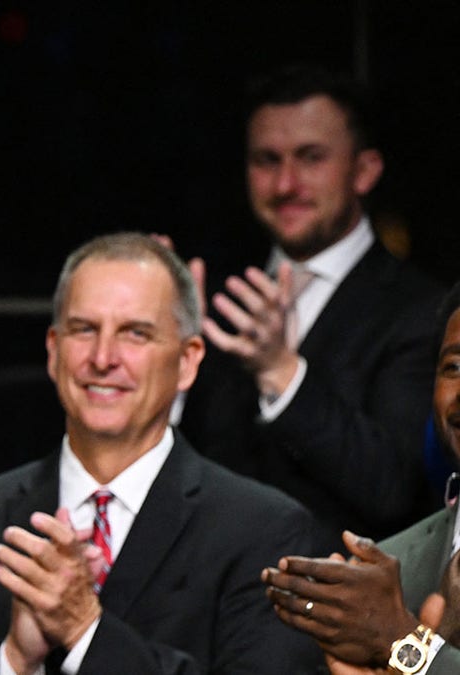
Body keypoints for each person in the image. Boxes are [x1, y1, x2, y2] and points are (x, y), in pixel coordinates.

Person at [0, 232, 321, 673]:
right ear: (53, 349)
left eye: (135, 334)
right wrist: (15, 662)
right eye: (84, 329)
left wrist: (85, 631)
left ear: (187, 361)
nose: (103, 358)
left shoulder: (265, 530)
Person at [179, 64, 442, 543]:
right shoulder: (216, 297)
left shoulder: (423, 309)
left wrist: (281, 371)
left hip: (335, 602)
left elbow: (394, 491)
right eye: (266, 160)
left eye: (311, 158)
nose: (285, 184)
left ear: (364, 171)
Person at [262, 282, 460, 674]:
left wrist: (400, 641)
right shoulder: (389, 568)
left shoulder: (380, 610)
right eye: (454, 367)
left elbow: (398, 640)